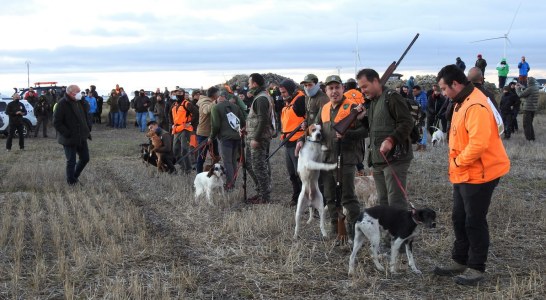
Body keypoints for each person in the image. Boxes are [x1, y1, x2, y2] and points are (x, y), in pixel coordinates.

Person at [433, 64, 510, 285]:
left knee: (474, 221)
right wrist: (457, 165)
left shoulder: (475, 105)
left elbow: (478, 144)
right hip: (463, 172)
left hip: (481, 173)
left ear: (455, 84)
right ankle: (460, 260)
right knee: (459, 218)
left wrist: (458, 161)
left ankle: (476, 268)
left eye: (444, 88)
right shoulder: (461, 101)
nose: (442, 93)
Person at [315, 75, 366, 241]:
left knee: (348, 197)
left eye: (337, 87)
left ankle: (354, 233)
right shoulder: (324, 109)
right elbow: (316, 128)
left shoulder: (353, 107)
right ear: (326, 91)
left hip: (347, 159)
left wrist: (347, 134)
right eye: (330, 88)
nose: (334, 91)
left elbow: (365, 131)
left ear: (343, 88)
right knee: (330, 196)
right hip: (328, 159)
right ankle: (337, 230)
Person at [357, 69, 413, 211]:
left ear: (376, 81)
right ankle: (388, 231)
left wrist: (391, 140)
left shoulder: (392, 97)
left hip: (395, 158)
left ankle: (399, 232)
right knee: (383, 201)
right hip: (378, 159)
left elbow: (407, 123)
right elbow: (374, 128)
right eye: (361, 88)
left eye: (365, 86)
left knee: (395, 201)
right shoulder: (373, 102)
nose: (363, 91)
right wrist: (363, 118)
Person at [53, 85, 92, 185]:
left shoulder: (80, 101)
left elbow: (87, 112)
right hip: (69, 138)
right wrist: (67, 133)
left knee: (85, 158)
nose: (80, 93)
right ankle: (71, 182)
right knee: (71, 161)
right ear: (71, 93)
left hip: (81, 136)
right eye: (78, 91)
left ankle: (74, 176)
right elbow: (57, 122)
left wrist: (88, 127)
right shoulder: (62, 104)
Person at [244, 73, 274, 204]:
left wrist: (256, 138)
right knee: (250, 165)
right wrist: (246, 129)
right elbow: (257, 119)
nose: (248, 85)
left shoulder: (261, 98)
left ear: (255, 84)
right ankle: (260, 191)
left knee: (258, 167)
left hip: (259, 139)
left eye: (249, 83)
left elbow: (263, 120)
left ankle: (265, 197)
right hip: (253, 137)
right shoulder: (260, 97)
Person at [209, 90, 246, 189]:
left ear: (219, 97)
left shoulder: (216, 108)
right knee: (233, 161)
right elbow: (243, 121)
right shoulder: (236, 107)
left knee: (227, 162)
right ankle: (232, 182)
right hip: (237, 138)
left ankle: (230, 184)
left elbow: (215, 125)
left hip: (225, 139)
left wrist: (211, 137)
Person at [278, 79, 306, 206]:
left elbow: (309, 119)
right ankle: (296, 197)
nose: (282, 94)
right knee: (292, 173)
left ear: (290, 90)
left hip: (298, 141)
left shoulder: (300, 101)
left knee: (299, 173)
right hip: (288, 141)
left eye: (284, 92)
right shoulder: (288, 103)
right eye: (281, 92)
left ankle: (304, 198)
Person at [196, 87, 220, 173]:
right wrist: (216, 102)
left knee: (216, 156)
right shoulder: (204, 102)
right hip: (203, 134)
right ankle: (198, 176)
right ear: (214, 95)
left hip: (212, 134)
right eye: (218, 93)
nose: (219, 95)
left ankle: (212, 173)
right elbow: (206, 110)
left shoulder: (210, 102)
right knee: (202, 157)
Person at [171, 88, 194, 174]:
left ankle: (188, 169)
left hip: (185, 129)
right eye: (177, 92)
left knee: (184, 149)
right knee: (175, 149)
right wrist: (171, 124)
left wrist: (191, 123)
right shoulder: (174, 104)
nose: (178, 94)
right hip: (176, 129)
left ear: (183, 94)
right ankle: (183, 166)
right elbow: (169, 114)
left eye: (180, 92)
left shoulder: (187, 104)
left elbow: (196, 113)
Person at [516, 77, 540, 142]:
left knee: (526, 124)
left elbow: (520, 95)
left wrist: (517, 89)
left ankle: (529, 139)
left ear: (529, 82)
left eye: (527, 81)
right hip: (533, 108)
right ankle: (532, 137)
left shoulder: (530, 88)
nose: (526, 82)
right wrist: (522, 87)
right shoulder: (535, 87)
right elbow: (528, 91)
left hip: (527, 109)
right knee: (529, 123)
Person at [412, 85, 428, 151]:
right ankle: (419, 144)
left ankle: (423, 145)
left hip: (422, 115)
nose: (414, 92)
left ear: (419, 90)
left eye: (415, 91)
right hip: (417, 115)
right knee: (418, 130)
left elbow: (423, 106)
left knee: (423, 129)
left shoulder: (423, 96)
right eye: (413, 91)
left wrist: (416, 108)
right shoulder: (416, 96)